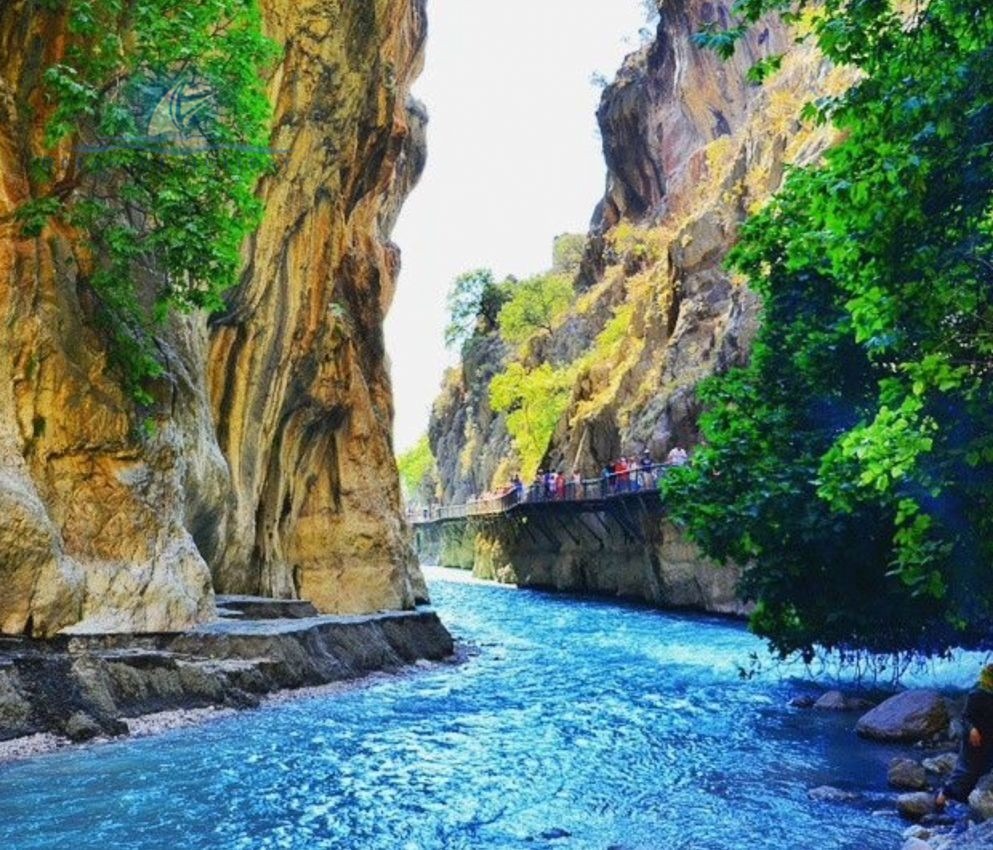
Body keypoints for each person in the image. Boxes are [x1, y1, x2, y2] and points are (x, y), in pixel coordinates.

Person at [937, 665, 993, 806]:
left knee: (984, 769)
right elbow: (965, 717)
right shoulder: (977, 694)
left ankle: (968, 803)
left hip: (989, 738)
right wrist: (972, 730)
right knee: (966, 770)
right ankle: (942, 796)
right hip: (974, 738)